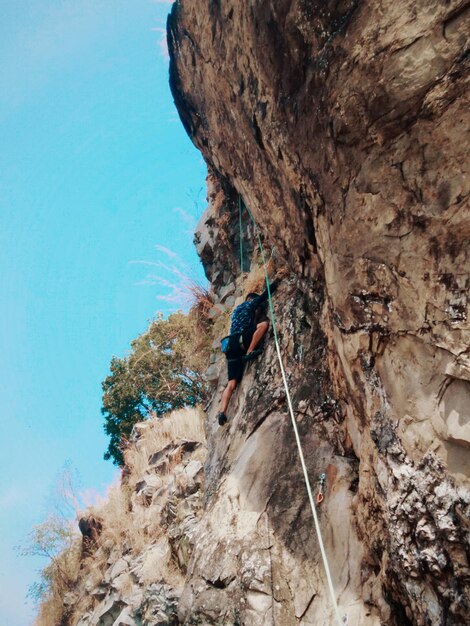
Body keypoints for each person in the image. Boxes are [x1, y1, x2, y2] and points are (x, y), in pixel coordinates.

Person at [216, 278, 280, 426]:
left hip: (229, 347)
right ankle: (250, 351)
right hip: (240, 341)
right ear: (251, 299)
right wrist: (275, 284)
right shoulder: (249, 304)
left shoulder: (235, 312)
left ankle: (222, 412)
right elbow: (265, 295)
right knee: (263, 324)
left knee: (231, 384)